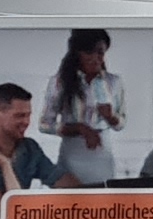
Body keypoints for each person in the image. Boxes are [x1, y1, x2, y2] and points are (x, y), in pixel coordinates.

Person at [42, 29, 127, 186]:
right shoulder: (59, 82)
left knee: (102, 197)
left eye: (100, 53)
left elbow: (121, 124)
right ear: (77, 53)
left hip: (102, 154)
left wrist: (110, 117)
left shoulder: (114, 82)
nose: (95, 58)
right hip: (72, 153)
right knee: (71, 198)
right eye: (89, 52)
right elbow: (44, 124)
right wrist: (80, 128)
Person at [0, 82, 60, 189]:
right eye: (19, 116)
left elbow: (58, 178)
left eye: (28, 115)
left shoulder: (30, 148)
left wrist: (83, 190)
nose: (26, 122)